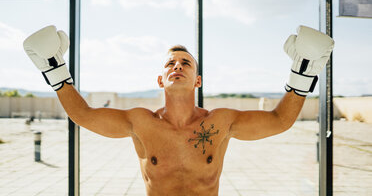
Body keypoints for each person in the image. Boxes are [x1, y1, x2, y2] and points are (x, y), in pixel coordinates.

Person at [23, 25, 334, 196]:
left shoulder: (221, 121)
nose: (177, 66)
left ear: (197, 79)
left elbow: (280, 121)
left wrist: (302, 75)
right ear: (161, 78)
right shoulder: (141, 122)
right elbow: (85, 116)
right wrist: (55, 71)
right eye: (170, 63)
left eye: (186, 63)